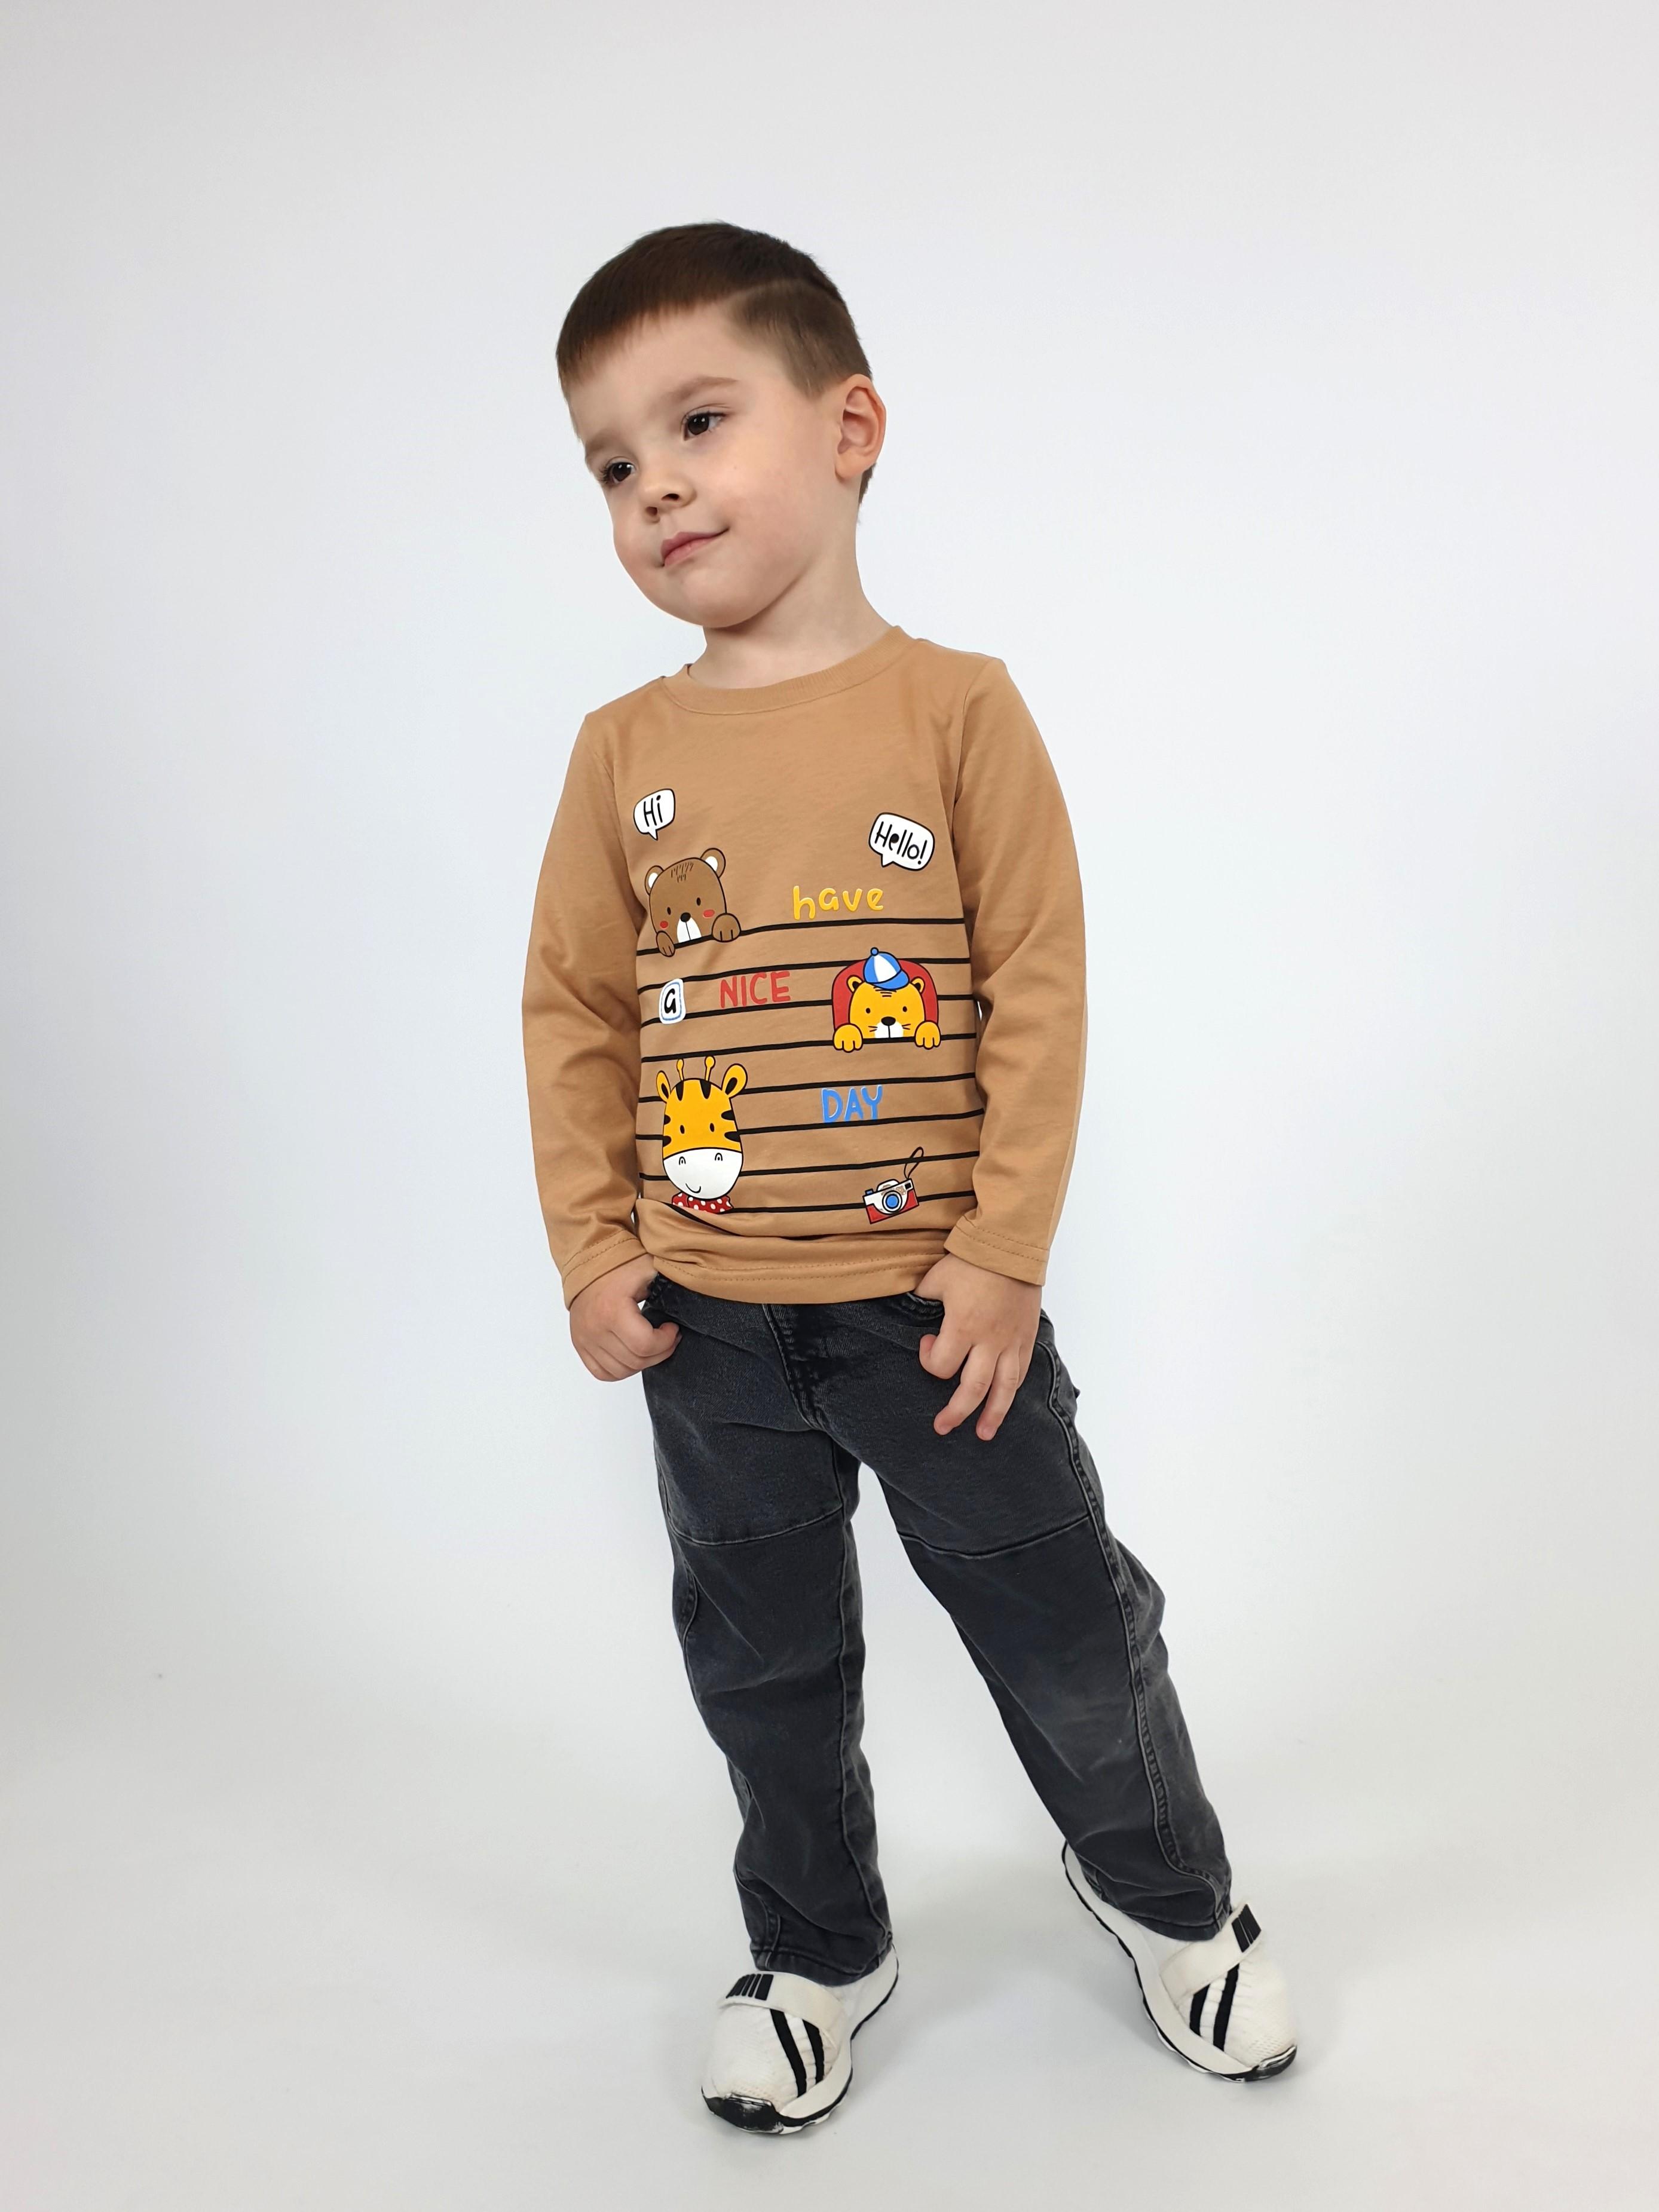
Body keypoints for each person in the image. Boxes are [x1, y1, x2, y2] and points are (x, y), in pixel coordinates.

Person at [522, 222, 1296, 2133]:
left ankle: (1168, 1896)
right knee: (765, 1669)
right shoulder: (622, 751)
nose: (655, 486)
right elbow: (577, 1012)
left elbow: (1038, 979)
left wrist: (1005, 1251)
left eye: (699, 422)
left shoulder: (957, 709)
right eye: (613, 462)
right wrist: (595, 1245)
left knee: (1066, 1630)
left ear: (850, 427)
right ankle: (817, 1950)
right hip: (710, 1331)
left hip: (942, 1320)